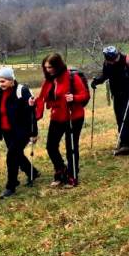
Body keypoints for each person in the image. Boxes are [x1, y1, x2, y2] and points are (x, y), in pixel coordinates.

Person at [30, 53, 90, 188]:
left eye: (50, 67)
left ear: (58, 65)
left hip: (73, 117)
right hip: (57, 117)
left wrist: (73, 97)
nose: (48, 70)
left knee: (71, 147)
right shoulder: (48, 81)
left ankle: (72, 176)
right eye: (45, 67)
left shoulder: (71, 77)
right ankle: (60, 170)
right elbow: (42, 98)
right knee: (51, 146)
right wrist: (33, 102)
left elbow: (84, 94)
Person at [0, 67, 39, 198]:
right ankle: (32, 173)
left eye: (3, 81)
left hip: (22, 131)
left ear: (12, 80)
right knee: (17, 154)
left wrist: (34, 133)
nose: (0, 84)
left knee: (11, 156)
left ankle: (11, 186)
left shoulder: (21, 91)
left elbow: (31, 114)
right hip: (6, 131)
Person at [91, 46, 129, 156]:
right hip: (117, 93)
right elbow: (106, 75)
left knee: (125, 116)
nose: (113, 62)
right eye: (110, 60)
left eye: (114, 59)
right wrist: (97, 80)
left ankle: (128, 145)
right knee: (119, 117)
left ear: (117, 54)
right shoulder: (107, 64)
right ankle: (123, 141)